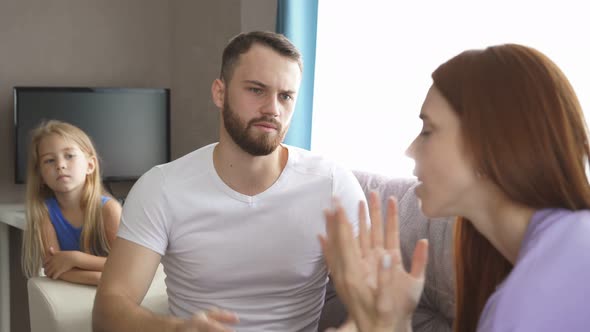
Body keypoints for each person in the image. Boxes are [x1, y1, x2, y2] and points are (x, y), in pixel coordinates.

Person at [92, 31, 366, 332]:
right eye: (256, 90)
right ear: (219, 93)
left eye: (285, 96)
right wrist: (175, 330)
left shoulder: (332, 186)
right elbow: (108, 311)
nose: (273, 109)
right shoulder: (161, 188)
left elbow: (368, 311)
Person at [321, 43, 590, 332]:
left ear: (492, 144)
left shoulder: (540, 291)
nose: (411, 150)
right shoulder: (553, 255)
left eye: (428, 131)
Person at [21, 120, 122, 286]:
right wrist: (100, 278)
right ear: (41, 177)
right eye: (49, 160)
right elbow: (53, 268)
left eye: (69, 156)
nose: (60, 165)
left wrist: (75, 258)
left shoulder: (109, 209)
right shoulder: (43, 213)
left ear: (90, 165)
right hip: (77, 291)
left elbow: (123, 265)